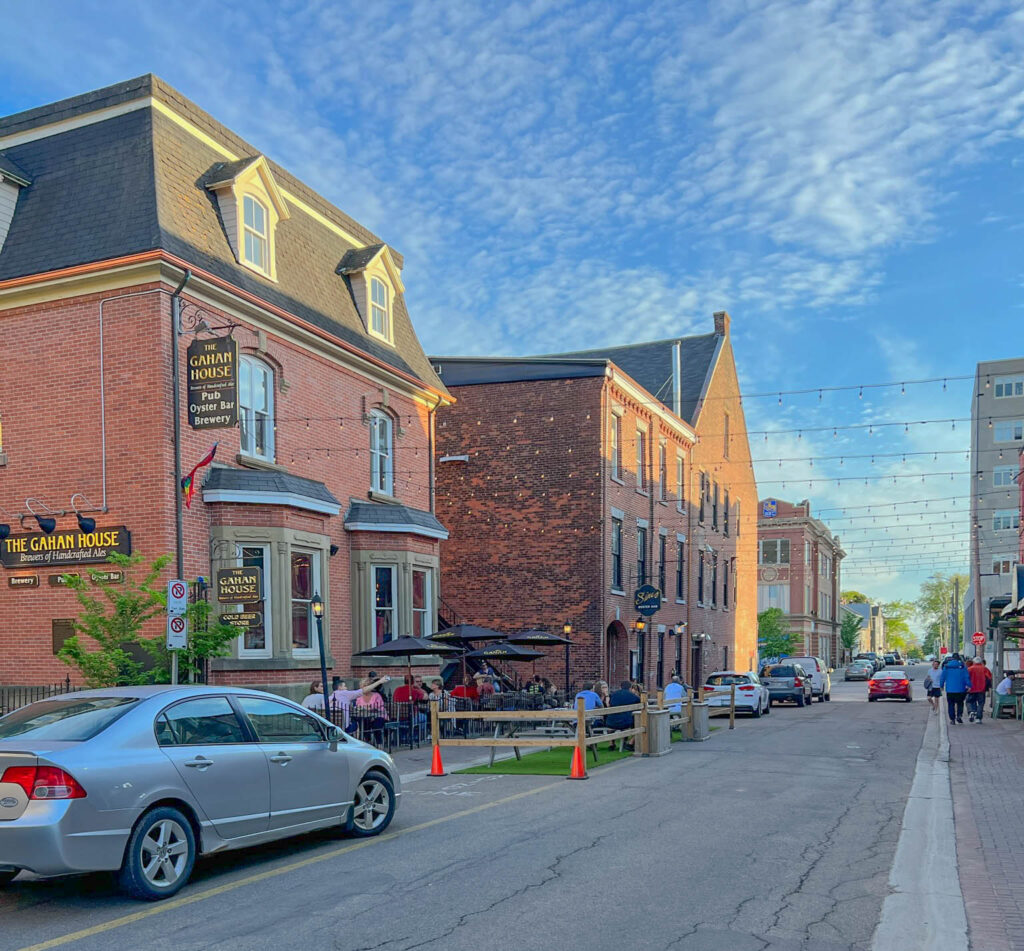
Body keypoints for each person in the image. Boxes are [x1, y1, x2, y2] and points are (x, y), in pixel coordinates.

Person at [605, 681, 641, 750]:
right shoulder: (633, 696)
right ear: (630, 688)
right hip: (626, 722)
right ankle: (630, 743)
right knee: (640, 725)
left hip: (610, 722)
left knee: (612, 723)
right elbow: (642, 705)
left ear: (620, 687)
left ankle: (612, 744)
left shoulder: (613, 695)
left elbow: (608, 704)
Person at [938, 653, 970, 724]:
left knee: (950, 704)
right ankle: (959, 715)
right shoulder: (962, 666)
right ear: (959, 658)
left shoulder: (946, 667)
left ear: (952, 658)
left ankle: (952, 719)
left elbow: (942, 677)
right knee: (960, 703)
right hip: (961, 689)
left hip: (950, 689)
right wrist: (969, 685)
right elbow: (966, 677)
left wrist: (941, 686)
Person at [967, 658, 992, 723]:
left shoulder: (970, 669)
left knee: (970, 701)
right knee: (981, 703)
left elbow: (966, 678)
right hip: (981, 689)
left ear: (974, 662)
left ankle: (972, 711)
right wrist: (987, 687)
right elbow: (989, 678)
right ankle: (978, 718)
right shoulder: (985, 669)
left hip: (971, 689)